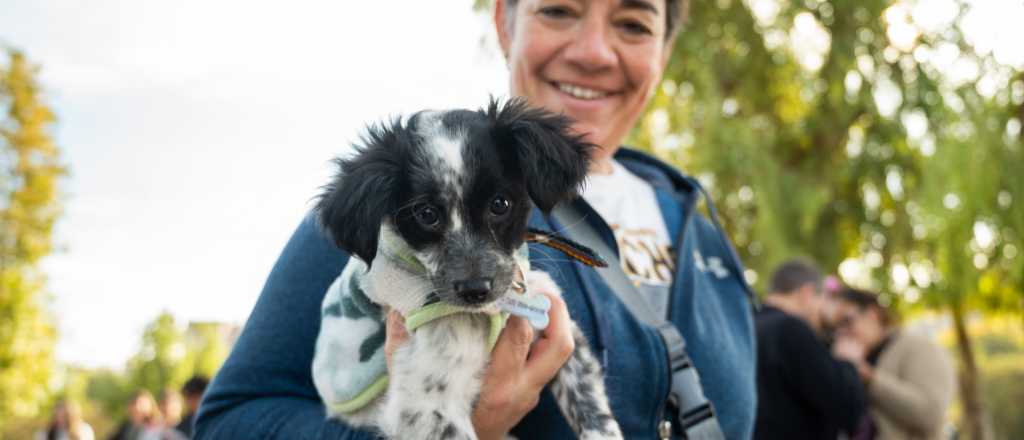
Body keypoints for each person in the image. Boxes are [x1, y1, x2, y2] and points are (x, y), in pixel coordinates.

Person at [195, 0, 758, 438]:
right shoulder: (390, 204)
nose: (594, 52)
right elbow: (229, 422)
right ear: (505, 24)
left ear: (665, 46)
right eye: (558, 9)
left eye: (633, 23)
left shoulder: (701, 229)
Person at [753, 260, 866, 439]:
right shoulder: (791, 329)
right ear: (807, 292)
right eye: (822, 299)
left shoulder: (750, 325)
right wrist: (848, 363)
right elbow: (846, 408)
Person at [835, 287, 955, 440]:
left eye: (847, 321)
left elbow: (931, 414)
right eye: (835, 327)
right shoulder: (859, 359)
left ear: (872, 314)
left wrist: (869, 377)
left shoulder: (919, 347)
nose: (842, 333)